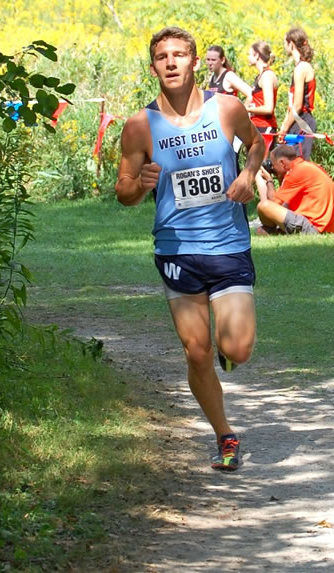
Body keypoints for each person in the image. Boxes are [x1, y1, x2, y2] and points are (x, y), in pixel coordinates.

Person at [115, 27, 265, 472]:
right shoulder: (140, 126)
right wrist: (139, 186)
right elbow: (123, 190)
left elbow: (256, 143)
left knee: (237, 349)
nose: (172, 62)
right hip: (177, 250)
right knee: (195, 352)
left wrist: (248, 174)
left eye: (180, 54)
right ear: (153, 67)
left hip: (228, 245)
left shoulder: (227, 108)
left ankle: (227, 347)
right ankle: (225, 435)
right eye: (162, 57)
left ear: (195, 62)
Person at [255, 144, 334, 235]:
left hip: (314, 227)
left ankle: (271, 230)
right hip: (325, 226)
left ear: (282, 163)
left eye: (273, 165)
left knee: (263, 206)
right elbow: (284, 203)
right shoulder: (307, 166)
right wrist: (280, 176)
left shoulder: (296, 172)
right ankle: (272, 230)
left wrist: (269, 180)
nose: (272, 168)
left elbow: (273, 203)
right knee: (263, 226)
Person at [279, 28, 316, 160]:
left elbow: (298, 105)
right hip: (297, 120)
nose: (284, 46)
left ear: (291, 44)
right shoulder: (299, 67)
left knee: (295, 163)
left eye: (285, 42)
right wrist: (285, 124)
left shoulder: (301, 68)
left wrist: (284, 129)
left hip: (302, 121)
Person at [246, 41, 279, 145]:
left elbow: (268, 108)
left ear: (257, 56)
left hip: (265, 127)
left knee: (262, 156)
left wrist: (247, 109)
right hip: (256, 126)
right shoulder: (260, 76)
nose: (247, 57)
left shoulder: (267, 76)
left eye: (249, 54)